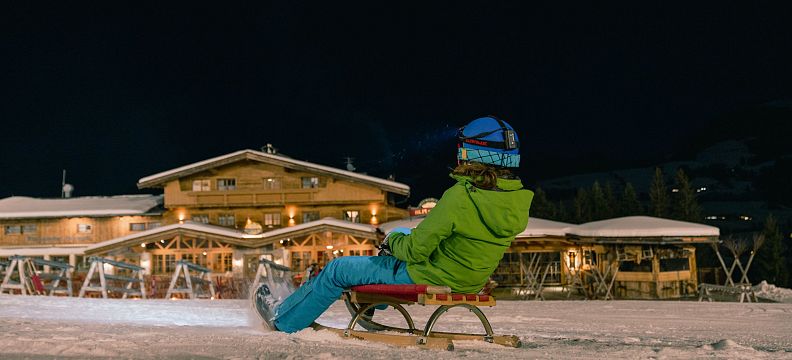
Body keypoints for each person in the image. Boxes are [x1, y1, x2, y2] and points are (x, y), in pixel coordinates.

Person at [254, 116, 534, 333]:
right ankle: (371, 303)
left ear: (471, 153)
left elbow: (415, 251)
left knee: (338, 269)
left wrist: (392, 242)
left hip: (428, 276)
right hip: (467, 278)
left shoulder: (461, 196)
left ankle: (284, 320)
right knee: (400, 235)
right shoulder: (514, 201)